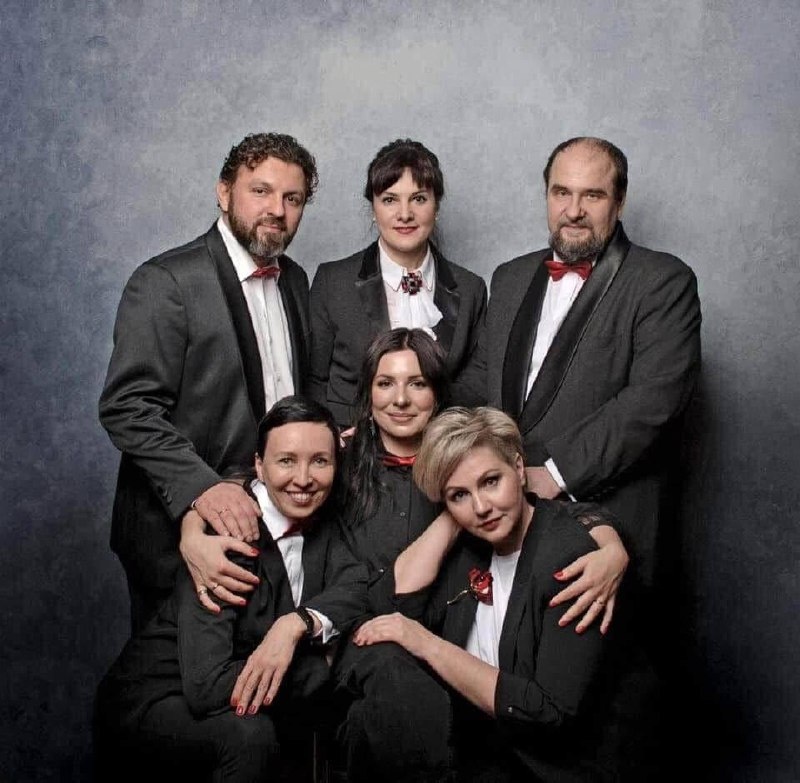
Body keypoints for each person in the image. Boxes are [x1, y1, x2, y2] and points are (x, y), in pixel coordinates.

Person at [333, 329, 628, 782]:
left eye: (490, 482)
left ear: (518, 467)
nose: (482, 506)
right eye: (458, 494)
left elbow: (548, 712)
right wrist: (458, 512)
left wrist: (611, 545)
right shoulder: (343, 463)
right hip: (461, 730)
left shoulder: (569, 556)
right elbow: (394, 602)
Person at [459, 136, 701, 615]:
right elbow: (479, 383)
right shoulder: (509, 277)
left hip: (607, 529)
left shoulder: (663, 281)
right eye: (561, 193)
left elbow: (652, 404)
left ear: (620, 201)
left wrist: (554, 474)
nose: (573, 210)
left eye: (592, 195)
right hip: (503, 520)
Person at [99, 132, 318, 630]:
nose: (277, 210)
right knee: (173, 675)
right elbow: (127, 407)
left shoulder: (295, 280)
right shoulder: (166, 282)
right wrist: (204, 490)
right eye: (260, 191)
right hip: (174, 537)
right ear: (223, 192)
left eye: (293, 198)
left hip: (269, 530)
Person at [94, 397, 368, 783]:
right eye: (286, 461)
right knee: (250, 736)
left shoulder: (324, 519)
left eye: (319, 461)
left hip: (230, 681)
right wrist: (319, 666)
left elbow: (356, 583)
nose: (303, 478)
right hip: (155, 699)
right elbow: (206, 686)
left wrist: (295, 625)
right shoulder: (226, 540)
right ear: (259, 465)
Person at [308, 138, 486, 427]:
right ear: (373, 207)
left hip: (439, 447)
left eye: (419, 199)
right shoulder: (332, 281)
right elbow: (313, 379)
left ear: (436, 206)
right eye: (390, 200)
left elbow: (476, 380)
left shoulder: (471, 288)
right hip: (351, 444)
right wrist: (331, 435)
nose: (405, 214)